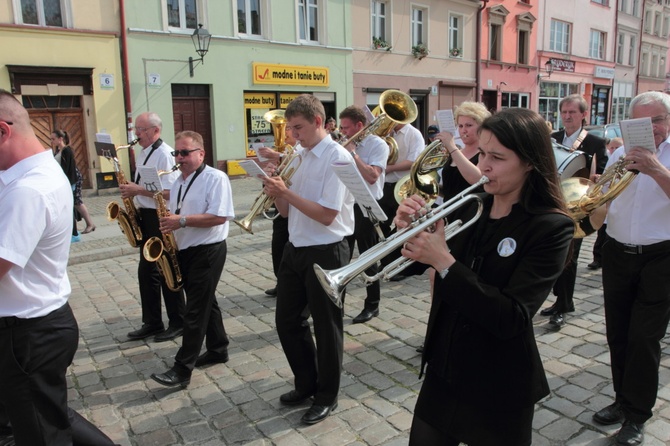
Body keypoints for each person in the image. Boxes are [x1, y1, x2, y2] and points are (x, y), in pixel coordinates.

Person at [395, 108, 574, 446]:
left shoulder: (551, 227)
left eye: (497, 157)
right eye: (484, 153)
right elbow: (408, 267)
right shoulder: (470, 204)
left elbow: (512, 316)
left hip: (499, 383)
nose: (484, 165)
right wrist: (406, 231)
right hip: (445, 368)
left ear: (530, 162)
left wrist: (445, 262)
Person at [0, 89, 116, 445]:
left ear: (3, 132)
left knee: (42, 431)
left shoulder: (29, 189)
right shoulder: (24, 177)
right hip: (32, 325)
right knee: (45, 414)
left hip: (28, 333)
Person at [261, 94, 354, 425]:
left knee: (327, 329)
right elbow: (286, 213)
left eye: (298, 128)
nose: (294, 135)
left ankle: (327, 396)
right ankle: (307, 383)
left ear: (318, 121)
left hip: (327, 249)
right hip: (296, 246)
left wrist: (285, 192)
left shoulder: (338, 157)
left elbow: (328, 215)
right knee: (287, 321)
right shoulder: (298, 154)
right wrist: (276, 191)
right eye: (290, 128)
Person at [592, 91, 670, 446]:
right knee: (618, 334)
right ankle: (623, 401)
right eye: (641, 122)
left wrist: (656, 170)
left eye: (657, 120)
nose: (650, 129)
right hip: (618, 252)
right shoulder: (621, 154)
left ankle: (637, 416)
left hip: (660, 256)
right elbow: (604, 198)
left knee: (644, 339)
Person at [150, 131, 235, 387]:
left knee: (195, 310)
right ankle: (218, 348)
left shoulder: (216, 178)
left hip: (208, 250)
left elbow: (220, 216)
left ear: (201, 153)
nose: (179, 157)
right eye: (177, 152)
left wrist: (181, 221)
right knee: (207, 301)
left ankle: (182, 369)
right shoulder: (178, 182)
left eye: (185, 152)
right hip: (185, 249)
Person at [539, 94, 608, 328]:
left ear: (583, 115)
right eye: (564, 112)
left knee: (570, 257)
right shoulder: (553, 137)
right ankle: (563, 301)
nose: (567, 116)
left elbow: (604, 173)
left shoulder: (595, 142)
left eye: (572, 112)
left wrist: (599, 178)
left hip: (576, 206)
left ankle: (563, 305)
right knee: (555, 256)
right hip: (553, 203)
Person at [121, 112, 185, 342]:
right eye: (136, 128)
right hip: (146, 214)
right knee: (146, 272)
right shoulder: (144, 152)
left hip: (160, 214)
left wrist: (137, 190)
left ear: (155, 131)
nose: (136, 133)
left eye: (141, 129)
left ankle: (178, 321)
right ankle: (152, 322)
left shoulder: (165, 155)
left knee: (166, 268)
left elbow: (171, 192)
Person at [339, 105, 389, 324]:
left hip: (367, 206)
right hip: (346, 205)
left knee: (368, 257)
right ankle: (337, 305)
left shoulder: (378, 144)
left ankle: (372, 305)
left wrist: (352, 153)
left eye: (346, 128)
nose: (343, 132)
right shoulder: (343, 143)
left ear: (359, 125)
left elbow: (372, 176)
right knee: (341, 257)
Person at [256, 130, 298, 297]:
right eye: (286, 127)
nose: (287, 131)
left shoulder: (299, 151)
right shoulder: (285, 151)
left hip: (297, 205)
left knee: (290, 249)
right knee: (278, 246)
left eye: (290, 127)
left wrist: (279, 156)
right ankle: (281, 281)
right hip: (281, 206)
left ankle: (290, 284)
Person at [50, 130, 96, 238]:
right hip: (68, 179)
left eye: (53, 139)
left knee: (77, 202)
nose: (51, 141)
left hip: (72, 179)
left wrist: (66, 183)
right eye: (51, 139)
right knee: (75, 203)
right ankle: (87, 224)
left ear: (60, 139)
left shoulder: (66, 151)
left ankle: (90, 224)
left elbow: (68, 168)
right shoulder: (58, 150)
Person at [588, 137, 623, 270]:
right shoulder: (620, 155)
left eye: (616, 147)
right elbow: (605, 185)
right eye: (612, 147)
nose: (614, 150)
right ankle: (597, 259)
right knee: (601, 237)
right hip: (609, 214)